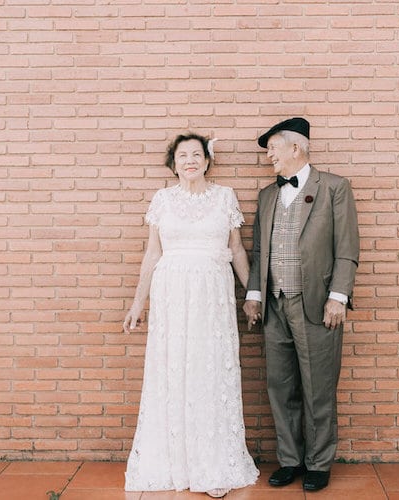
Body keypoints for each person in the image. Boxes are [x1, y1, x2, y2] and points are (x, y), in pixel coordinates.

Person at [123, 133, 259, 498]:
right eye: (183, 155)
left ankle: (211, 462)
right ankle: (174, 460)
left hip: (212, 297)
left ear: (207, 160)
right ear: (173, 163)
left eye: (196, 154)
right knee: (174, 371)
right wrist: (139, 301)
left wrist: (252, 295)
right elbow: (152, 253)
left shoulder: (224, 197)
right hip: (172, 296)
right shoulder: (162, 200)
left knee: (209, 371)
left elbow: (237, 250)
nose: (190, 161)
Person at [243, 117, 360, 492]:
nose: (268, 157)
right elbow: (259, 250)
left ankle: (319, 463)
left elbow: (346, 248)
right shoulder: (267, 196)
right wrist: (254, 296)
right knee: (281, 387)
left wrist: (338, 297)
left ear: (296, 147)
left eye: (273, 148)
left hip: (316, 304)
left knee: (318, 387)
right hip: (274, 306)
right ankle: (290, 460)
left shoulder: (334, 188)